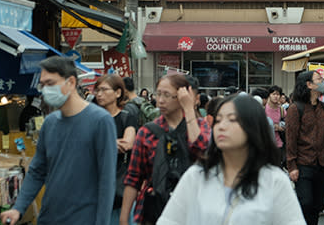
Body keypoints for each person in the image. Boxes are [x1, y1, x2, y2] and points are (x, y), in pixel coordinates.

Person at [0, 55, 117, 225]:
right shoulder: (50, 123)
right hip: (50, 217)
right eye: (43, 84)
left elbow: (106, 181)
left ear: (70, 82)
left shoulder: (100, 121)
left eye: (50, 83)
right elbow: (37, 171)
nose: (45, 90)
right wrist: (18, 208)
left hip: (84, 219)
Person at [156, 94, 306, 225]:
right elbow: (169, 221)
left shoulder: (274, 180)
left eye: (232, 120)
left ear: (253, 127)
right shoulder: (197, 176)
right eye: (218, 120)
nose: (221, 126)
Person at [119, 74, 211, 225]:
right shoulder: (147, 132)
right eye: (158, 94)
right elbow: (134, 177)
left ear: (182, 96)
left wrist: (188, 109)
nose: (160, 100)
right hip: (153, 210)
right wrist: (124, 218)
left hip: (191, 210)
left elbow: (201, 149)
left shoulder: (200, 127)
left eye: (167, 95)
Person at [286, 70, 324, 225]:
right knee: (306, 202)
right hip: (303, 164)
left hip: (322, 164)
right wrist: (292, 166)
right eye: (319, 79)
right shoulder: (295, 109)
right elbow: (290, 138)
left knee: (316, 205)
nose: (323, 82)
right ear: (309, 84)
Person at [95, 74, 139, 225]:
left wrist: (99, 145)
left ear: (118, 93)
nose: (99, 94)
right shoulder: (92, 119)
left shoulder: (127, 117)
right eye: (97, 90)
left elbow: (127, 144)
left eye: (104, 90)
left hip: (120, 186)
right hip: (95, 184)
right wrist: (112, 144)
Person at [264, 85, 286, 164]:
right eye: (274, 94)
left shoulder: (281, 110)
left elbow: (287, 123)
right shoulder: (264, 109)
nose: (276, 96)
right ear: (269, 95)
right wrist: (272, 126)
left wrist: (281, 127)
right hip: (266, 144)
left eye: (278, 94)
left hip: (279, 143)